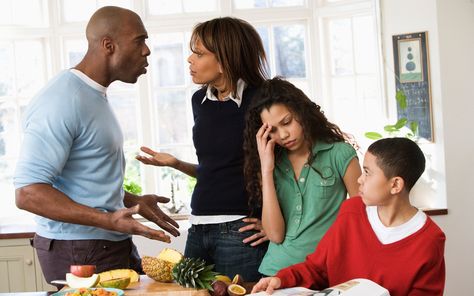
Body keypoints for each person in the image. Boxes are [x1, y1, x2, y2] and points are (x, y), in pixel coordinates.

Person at [13, 6, 180, 286]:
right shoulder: (62, 100)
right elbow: (29, 192)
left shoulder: (92, 95)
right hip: (79, 248)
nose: (147, 50)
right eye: (140, 40)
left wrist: (132, 201)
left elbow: (86, 181)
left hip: (104, 243)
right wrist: (109, 220)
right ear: (108, 45)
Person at [136, 17, 269, 281]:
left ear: (225, 59)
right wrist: (176, 164)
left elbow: (289, 168)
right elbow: (217, 170)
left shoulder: (264, 98)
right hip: (198, 227)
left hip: (241, 230)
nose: (189, 60)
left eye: (198, 53)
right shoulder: (200, 100)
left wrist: (275, 224)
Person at [251, 137, 446, 296]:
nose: (359, 179)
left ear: (395, 185)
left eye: (368, 173)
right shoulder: (352, 211)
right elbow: (317, 269)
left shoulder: (430, 239)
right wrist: (281, 279)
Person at [243, 77, 361, 276]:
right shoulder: (272, 164)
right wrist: (266, 169)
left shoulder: (339, 154)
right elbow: (275, 235)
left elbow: (362, 218)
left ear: (302, 111)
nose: (283, 135)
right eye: (273, 131)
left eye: (286, 122)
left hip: (323, 271)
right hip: (274, 272)